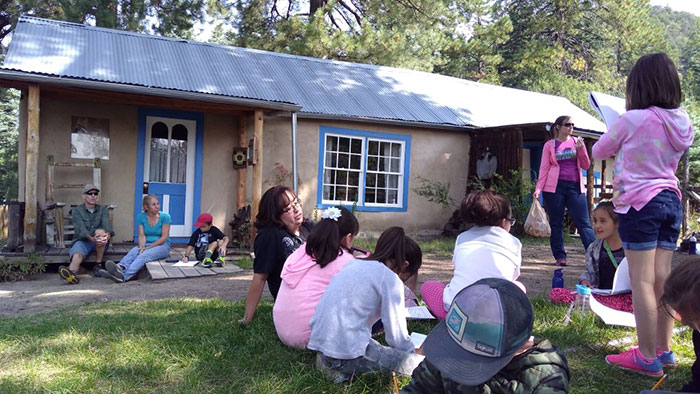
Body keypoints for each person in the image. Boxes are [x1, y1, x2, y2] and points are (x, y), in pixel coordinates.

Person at [593, 53, 694, 377]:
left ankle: (646, 357)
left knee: (642, 282)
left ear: (638, 86)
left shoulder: (632, 120)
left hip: (639, 203)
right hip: (670, 201)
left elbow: (599, 151)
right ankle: (665, 351)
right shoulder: (682, 121)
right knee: (663, 281)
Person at [401, 278, 570, 394]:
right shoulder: (453, 345)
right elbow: (419, 388)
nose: (458, 358)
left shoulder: (546, 377)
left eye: (470, 357)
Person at [308, 226, 424, 383]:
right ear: (404, 265)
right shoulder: (390, 279)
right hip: (346, 355)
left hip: (322, 350)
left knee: (372, 346)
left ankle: (334, 370)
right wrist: (411, 354)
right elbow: (396, 336)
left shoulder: (354, 264)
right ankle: (343, 371)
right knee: (418, 366)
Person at [421, 190, 523, 320]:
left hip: (457, 313)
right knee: (519, 286)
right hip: (496, 315)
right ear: (503, 222)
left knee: (428, 286)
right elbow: (511, 278)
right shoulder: (514, 243)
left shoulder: (463, 238)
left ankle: (449, 319)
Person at [273, 206, 359, 349]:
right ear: (348, 238)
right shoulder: (345, 261)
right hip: (311, 337)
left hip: (283, 331)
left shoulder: (301, 251)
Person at [240, 186, 314, 323]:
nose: (296, 209)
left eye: (296, 203)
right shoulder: (270, 236)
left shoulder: (309, 227)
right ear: (275, 215)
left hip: (316, 292)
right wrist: (247, 318)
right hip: (294, 303)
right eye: (287, 209)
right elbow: (260, 278)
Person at [533, 115, 596, 267]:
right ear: (558, 127)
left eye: (572, 125)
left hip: (575, 186)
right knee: (556, 223)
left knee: (584, 222)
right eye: (567, 125)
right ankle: (560, 256)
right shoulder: (550, 145)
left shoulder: (576, 142)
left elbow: (586, 165)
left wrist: (581, 150)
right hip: (554, 188)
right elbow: (544, 168)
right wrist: (538, 189)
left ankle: (594, 255)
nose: (571, 127)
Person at [99, 194, 171, 283]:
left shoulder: (165, 217)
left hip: (162, 246)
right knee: (134, 251)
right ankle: (119, 268)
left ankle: (124, 277)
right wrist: (141, 247)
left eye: (158, 204)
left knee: (143, 256)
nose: (157, 206)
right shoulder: (141, 217)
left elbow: (164, 238)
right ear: (146, 207)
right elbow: (142, 235)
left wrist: (148, 248)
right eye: (154, 204)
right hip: (146, 244)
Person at [59, 184, 114, 285]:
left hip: (100, 242)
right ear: (84, 196)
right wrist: (92, 239)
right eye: (90, 193)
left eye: (95, 194)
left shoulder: (103, 210)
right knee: (77, 255)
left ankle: (98, 265)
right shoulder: (77, 211)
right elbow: (81, 229)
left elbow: (107, 226)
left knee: (100, 233)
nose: (93, 196)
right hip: (83, 240)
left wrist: (107, 236)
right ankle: (71, 274)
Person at [579, 201, 625, 289]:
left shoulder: (630, 249)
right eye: (595, 221)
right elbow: (590, 273)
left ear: (617, 223)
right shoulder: (593, 249)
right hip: (601, 296)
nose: (597, 225)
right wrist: (585, 281)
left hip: (627, 297)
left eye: (603, 221)